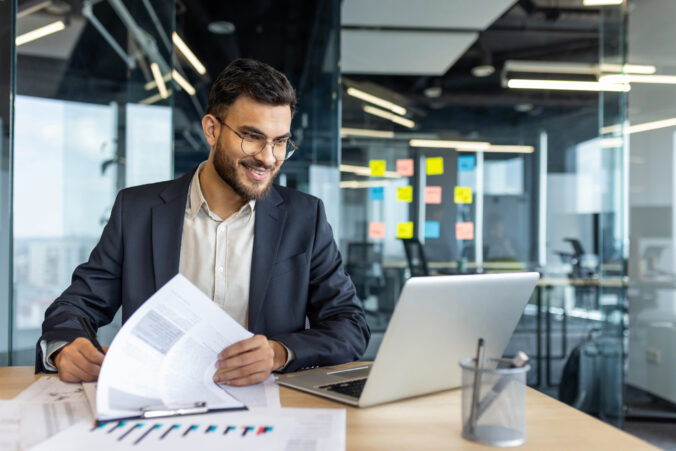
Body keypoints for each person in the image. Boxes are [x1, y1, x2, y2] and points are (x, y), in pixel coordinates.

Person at [35, 58, 370, 386]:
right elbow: (76, 304)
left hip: (265, 411)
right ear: (212, 129)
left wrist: (280, 352)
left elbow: (350, 326)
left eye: (280, 141)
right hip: (157, 403)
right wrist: (67, 346)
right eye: (252, 137)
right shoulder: (137, 210)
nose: (268, 157)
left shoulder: (304, 218)